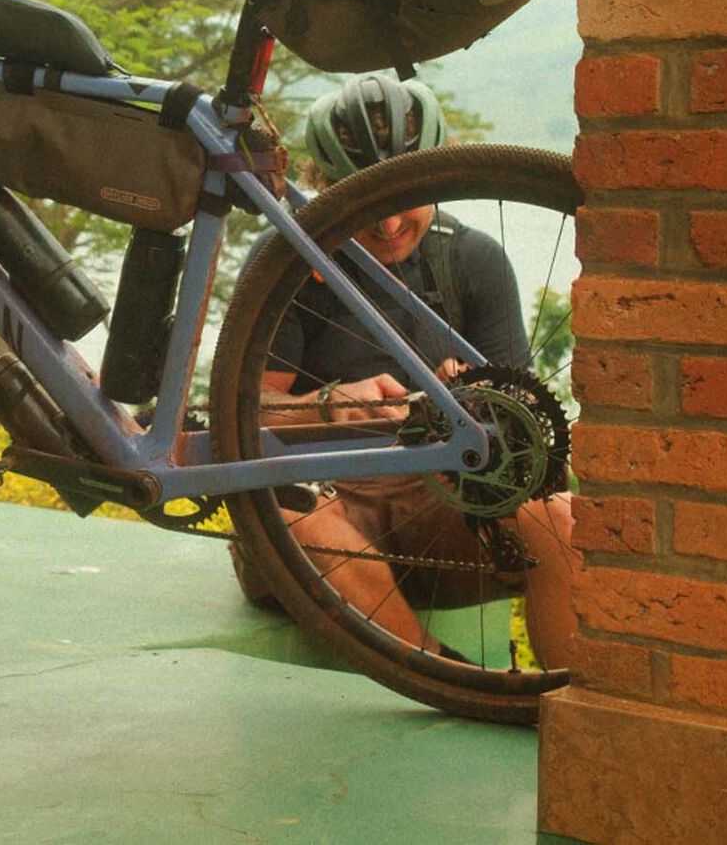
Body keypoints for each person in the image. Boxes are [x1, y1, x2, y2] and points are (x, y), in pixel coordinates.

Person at [235, 74, 577, 668]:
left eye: (404, 200)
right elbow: (237, 420)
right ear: (325, 185)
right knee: (288, 512)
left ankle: (579, 700)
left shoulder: (472, 260)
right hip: (328, 509)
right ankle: (447, 676)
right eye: (368, 202)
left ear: (436, 177)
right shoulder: (285, 266)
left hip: (445, 508)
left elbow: (527, 437)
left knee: (557, 514)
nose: (389, 226)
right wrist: (329, 404)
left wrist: (476, 397)